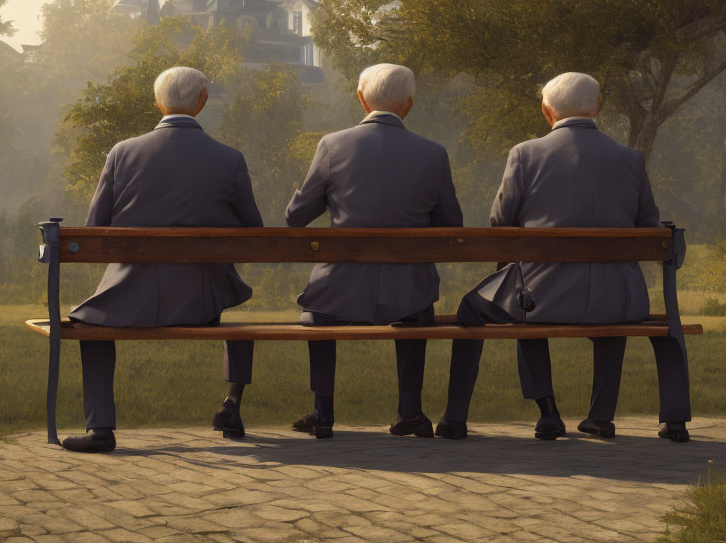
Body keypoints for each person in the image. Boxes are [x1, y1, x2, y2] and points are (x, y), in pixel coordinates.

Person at [440, 72, 691, 442]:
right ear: (598, 107)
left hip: (541, 296)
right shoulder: (630, 158)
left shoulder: (525, 154)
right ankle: (600, 416)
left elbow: (500, 223)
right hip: (619, 299)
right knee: (608, 303)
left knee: (492, 305)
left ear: (546, 111)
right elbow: (647, 225)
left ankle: (532, 412)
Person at [63, 66, 263, 453]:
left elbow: (93, 230)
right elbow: (252, 229)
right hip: (200, 302)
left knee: (88, 329)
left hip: (125, 302)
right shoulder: (230, 159)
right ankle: (232, 404)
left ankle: (100, 428)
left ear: (158, 102)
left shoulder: (123, 152)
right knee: (241, 324)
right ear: (202, 101)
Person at [286, 63, 463, 439]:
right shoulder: (433, 154)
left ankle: (323, 412)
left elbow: (297, 217)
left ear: (361, 99)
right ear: (409, 104)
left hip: (339, 289)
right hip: (410, 290)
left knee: (315, 318)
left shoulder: (332, 145)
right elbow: (452, 225)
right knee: (417, 311)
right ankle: (410, 411)